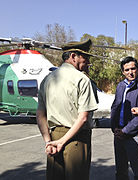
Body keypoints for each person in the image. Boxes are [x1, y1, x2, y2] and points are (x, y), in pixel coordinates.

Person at [37, 39, 98, 180]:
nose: (88, 62)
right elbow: (83, 118)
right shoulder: (82, 80)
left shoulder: (47, 79)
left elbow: (40, 115)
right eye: (85, 57)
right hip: (76, 139)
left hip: (54, 138)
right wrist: (62, 142)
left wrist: (49, 142)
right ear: (73, 56)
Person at [111, 56, 138, 180]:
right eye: (127, 70)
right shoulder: (120, 86)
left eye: (133, 69)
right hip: (119, 133)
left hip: (134, 134)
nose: (130, 72)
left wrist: (125, 131)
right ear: (123, 72)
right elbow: (115, 107)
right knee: (120, 171)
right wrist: (115, 129)